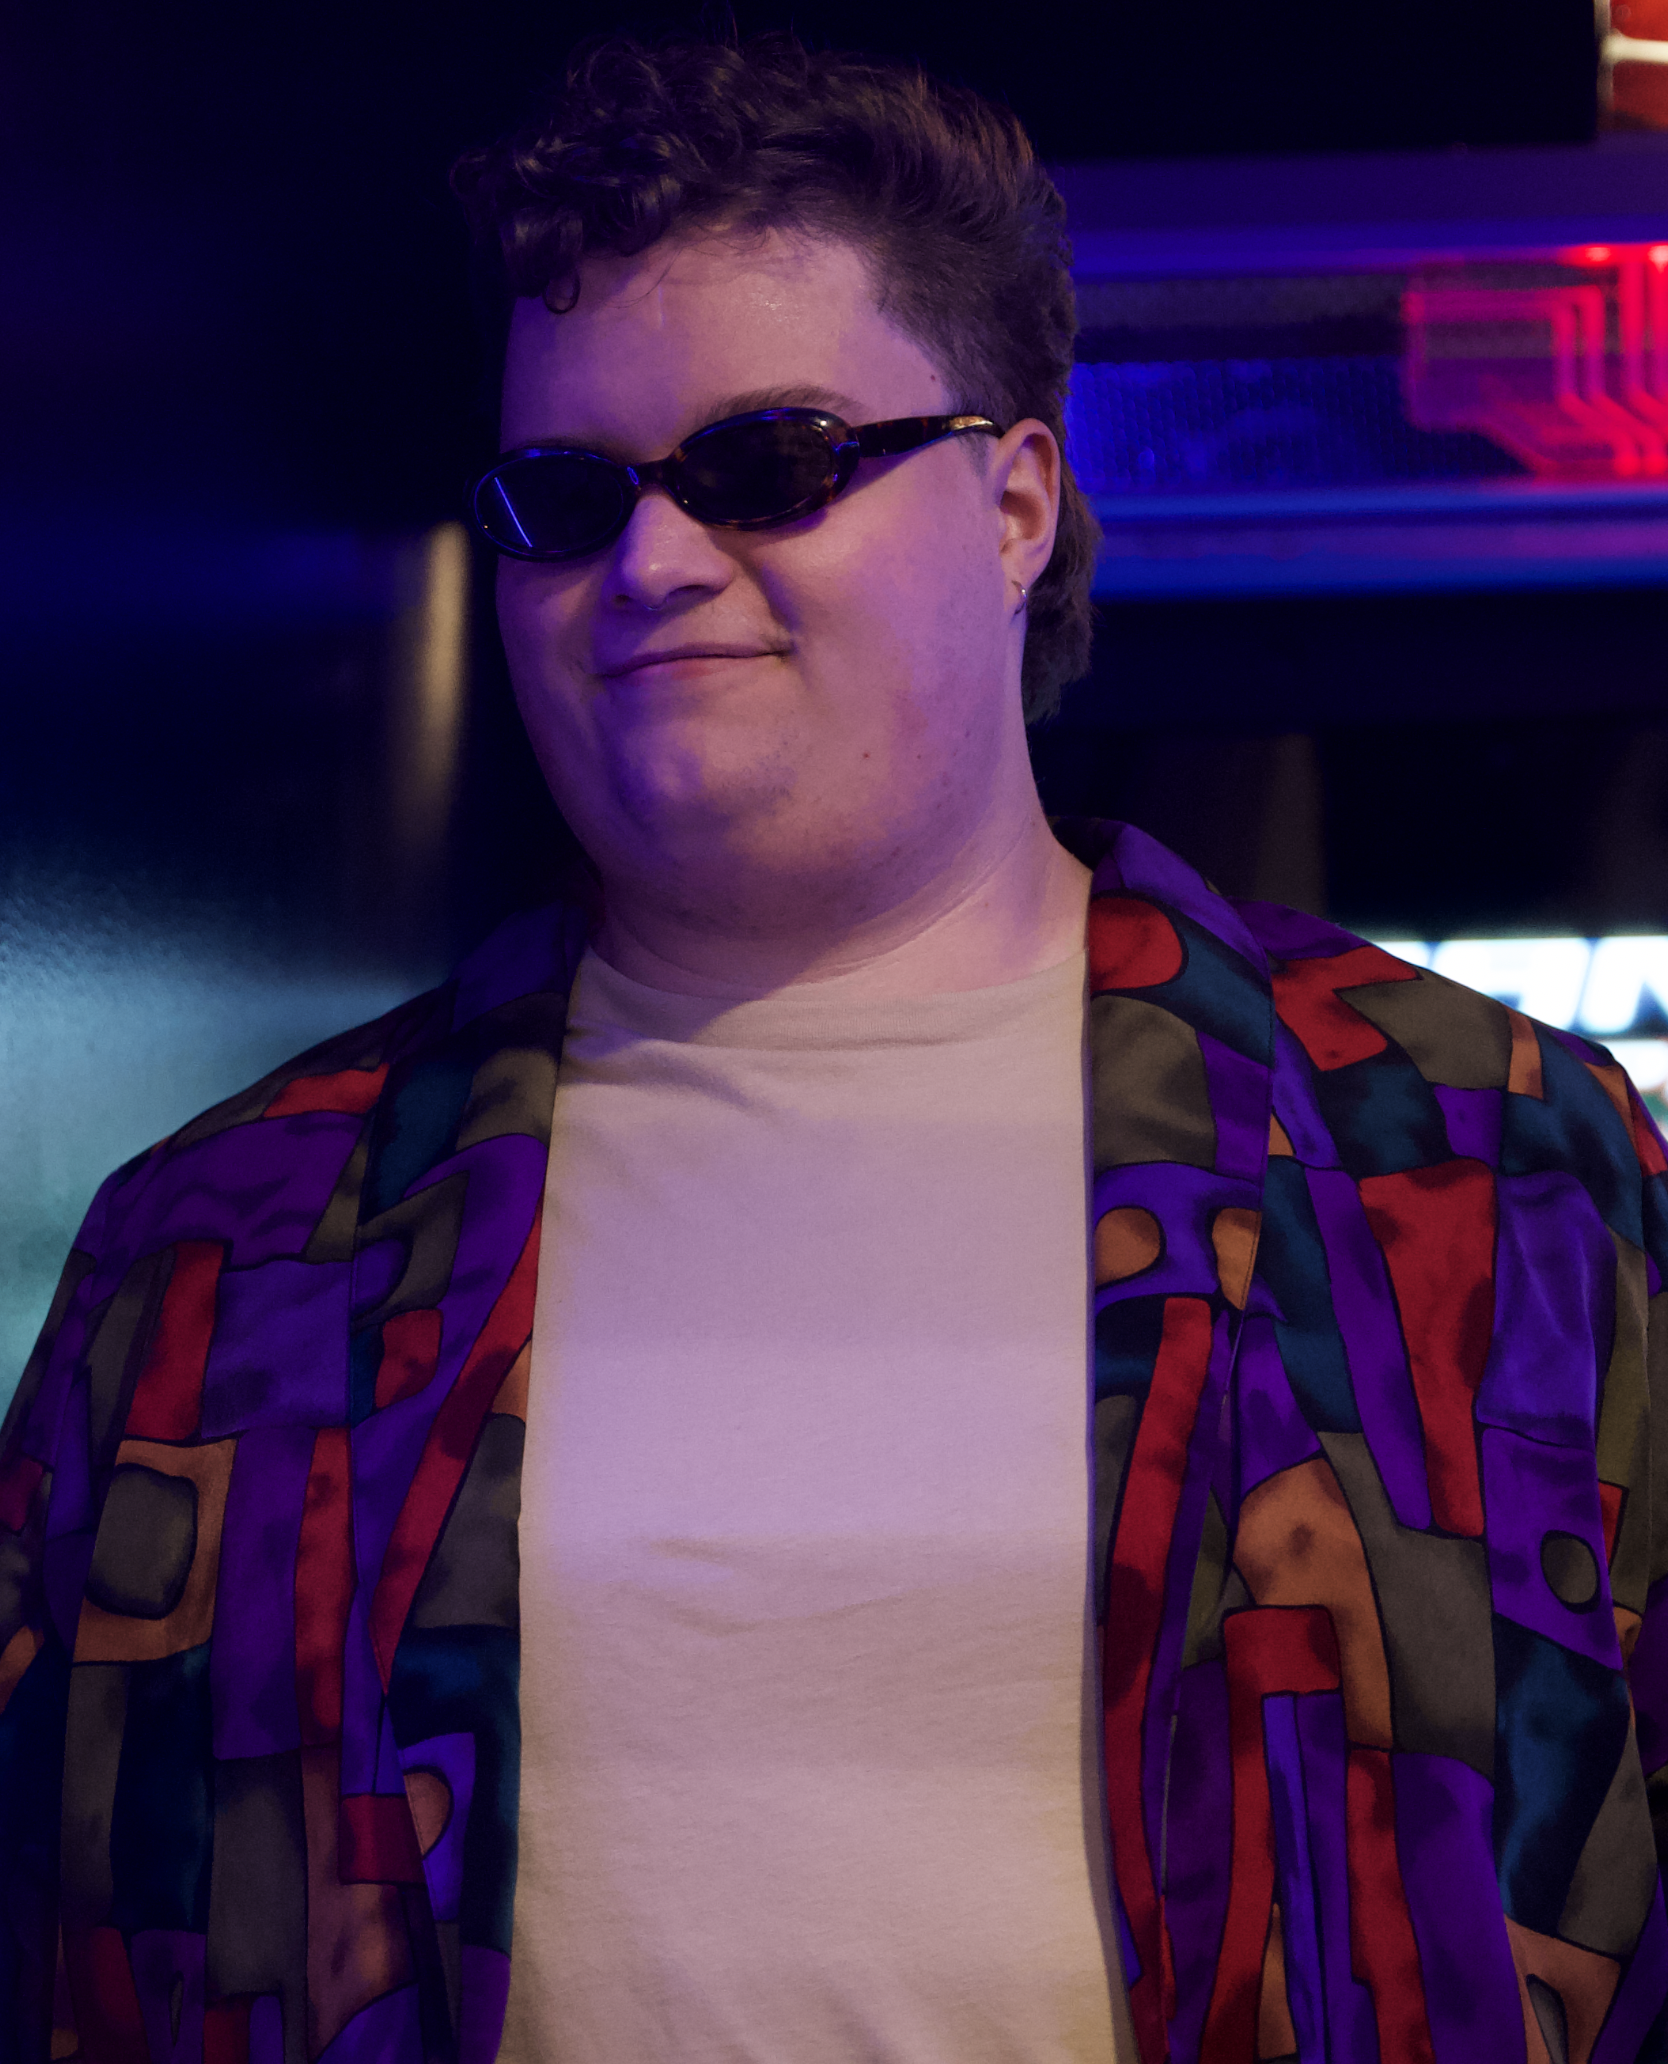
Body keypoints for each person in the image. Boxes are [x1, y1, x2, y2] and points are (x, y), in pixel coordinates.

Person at [3, 32, 1667, 2064]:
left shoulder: (1488, 1172)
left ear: (1017, 502)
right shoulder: (222, 1252)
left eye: (770, 463)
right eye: (566, 496)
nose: (654, 563)